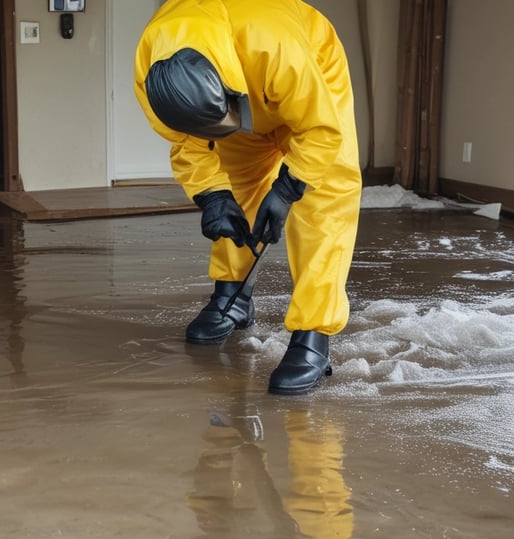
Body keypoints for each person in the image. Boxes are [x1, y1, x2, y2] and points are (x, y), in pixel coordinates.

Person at [134, 0, 362, 395]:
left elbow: (320, 130)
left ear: (224, 88)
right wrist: (211, 195)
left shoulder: (278, 47)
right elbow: (188, 143)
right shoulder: (150, 73)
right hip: (243, 90)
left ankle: (313, 335)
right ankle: (233, 298)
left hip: (309, 78)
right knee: (237, 189)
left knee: (323, 199)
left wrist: (289, 186)